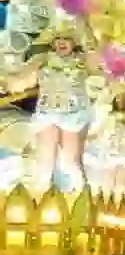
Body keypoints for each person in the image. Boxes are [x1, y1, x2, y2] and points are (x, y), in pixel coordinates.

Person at [6, 20, 101, 194]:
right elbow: (21, 80)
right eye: (58, 38)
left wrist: (85, 27)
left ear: (75, 42)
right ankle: (41, 200)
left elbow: (98, 63)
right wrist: (8, 81)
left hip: (73, 114)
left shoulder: (82, 60)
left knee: (71, 162)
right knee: (45, 163)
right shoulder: (42, 59)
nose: (62, 42)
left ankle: (84, 199)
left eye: (67, 38)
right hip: (47, 112)